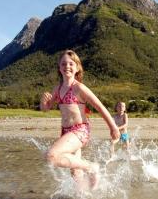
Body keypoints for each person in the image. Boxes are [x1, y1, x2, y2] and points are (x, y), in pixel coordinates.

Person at [40, 49, 120, 190]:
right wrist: (43, 101)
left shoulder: (79, 88)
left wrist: (113, 127)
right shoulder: (57, 89)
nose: (67, 66)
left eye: (71, 63)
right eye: (63, 64)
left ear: (77, 68)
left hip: (80, 130)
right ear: (59, 68)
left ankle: (92, 167)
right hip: (66, 132)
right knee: (76, 176)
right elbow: (46, 108)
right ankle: (86, 193)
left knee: (51, 156)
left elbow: (100, 106)